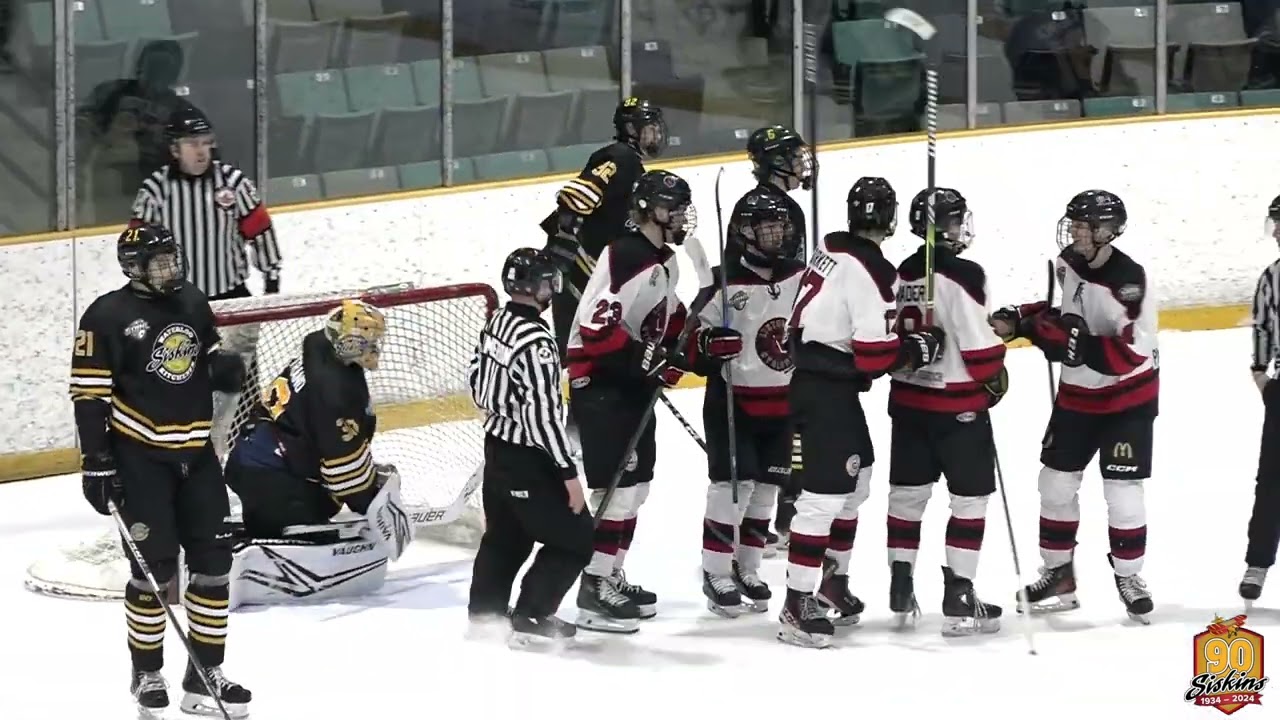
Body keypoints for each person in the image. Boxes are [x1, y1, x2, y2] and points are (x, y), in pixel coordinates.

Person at [71, 223, 250, 715]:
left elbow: (206, 356)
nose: (171, 268)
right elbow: (88, 394)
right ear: (133, 268)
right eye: (159, 262)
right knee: (154, 572)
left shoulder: (192, 301)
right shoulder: (106, 316)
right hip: (140, 460)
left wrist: (222, 369)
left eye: (173, 258)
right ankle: (147, 673)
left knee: (215, 568)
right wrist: (96, 462)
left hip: (197, 457)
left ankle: (205, 674)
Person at [780, 176, 945, 649]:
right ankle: (797, 601)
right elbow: (874, 354)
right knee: (824, 497)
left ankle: (831, 579)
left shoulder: (829, 248)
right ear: (891, 220)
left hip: (826, 387)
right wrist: (916, 347)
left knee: (858, 480)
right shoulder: (874, 272)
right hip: (824, 391)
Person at [568, 169, 732, 633]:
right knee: (617, 492)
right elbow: (596, 329)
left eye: (683, 207)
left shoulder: (661, 259)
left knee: (635, 490)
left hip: (627, 383)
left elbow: (669, 318)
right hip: (601, 385)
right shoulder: (626, 255)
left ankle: (610, 574)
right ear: (647, 210)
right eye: (672, 208)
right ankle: (593, 584)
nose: (681, 216)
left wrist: (700, 347)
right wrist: (650, 359)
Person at [991, 189, 1157, 624]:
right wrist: (1020, 318)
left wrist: (1069, 344)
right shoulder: (1069, 261)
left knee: (1123, 493)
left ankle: (1130, 575)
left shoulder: (1130, 282)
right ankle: (1059, 573)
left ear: (1108, 231)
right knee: (1055, 485)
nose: (1075, 232)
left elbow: (1131, 354)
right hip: (1077, 398)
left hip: (1128, 401)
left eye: (1084, 226)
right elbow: (1063, 309)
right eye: (1075, 224)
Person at [222, 298, 413, 608]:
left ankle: (268, 520)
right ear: (346, 341)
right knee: (318, 516)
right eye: (365, 341)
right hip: (272, 478)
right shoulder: (336, 394)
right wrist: (371, 503)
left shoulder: (319, 346)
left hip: (252, 457)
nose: (374, 348)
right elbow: (345, 477)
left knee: (309, 501)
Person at [886, 187, 1008, 636]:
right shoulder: (967, 275)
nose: (961, 228)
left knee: (906, 498)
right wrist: (997, 364)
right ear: (944, 227)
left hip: (907, 404)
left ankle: (901, 585)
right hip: (958, 408)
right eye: (955, 221)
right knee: (969, 500)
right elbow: (979, 352)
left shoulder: (901, 273)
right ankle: (959, 595)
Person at [130, 106, 283, 456]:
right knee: (182, 385)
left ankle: (244, 461)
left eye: (206, 143)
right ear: (174, 149)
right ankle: (184, 459)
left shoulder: (233, 183)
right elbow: (136, 248)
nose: (201, 151)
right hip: (178, 304)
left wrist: (270, 284)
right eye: (191, 143)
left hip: (233, 300)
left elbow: (260, 231)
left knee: (240, 391)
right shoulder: (156, 191)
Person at [466, 248, 594, 647]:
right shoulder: (537, 341)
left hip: (496, 449)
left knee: (506, 536)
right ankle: (533, 616)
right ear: (539, 287)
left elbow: (475, 379)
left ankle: (484, 615)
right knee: (576, 538)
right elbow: (543, 418)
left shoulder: (497, 322)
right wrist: (568, 473)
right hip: (528, 459)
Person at [692, 192, 803, 618]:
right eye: (767, 228)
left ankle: (748, 566)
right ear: (744, 232)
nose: (778, 235)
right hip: (733, 403)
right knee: (731, 489)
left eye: (780, 227)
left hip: (784, 400)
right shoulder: (722, 281)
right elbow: (690, 345)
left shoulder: (799, 276)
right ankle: (716, 570)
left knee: (767, 490)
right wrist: (707, 345)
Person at [732, 124, 815, 553]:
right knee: (787, 432)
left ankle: (778, 517)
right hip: (765, 346)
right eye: (793, 154)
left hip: (777, 339)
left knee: (793, 433)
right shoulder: (765, 208)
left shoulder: (783, 206)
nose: (802, 161)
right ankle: (774, 521)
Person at [541, 97, 668, 362]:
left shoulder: (633, 165)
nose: (657, 132)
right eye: (650, 126)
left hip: (592, 276)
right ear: (632, 129)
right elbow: (575, 195)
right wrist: (565, 240)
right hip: (576, 272)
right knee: (580, 357)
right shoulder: (621, 157)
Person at [1240, 194, 1280, 605]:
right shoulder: (1271, 277)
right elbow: (1263, 326)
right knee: (1271, 481)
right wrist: (1259, 372)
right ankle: (1258, 563)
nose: (1278, 232)